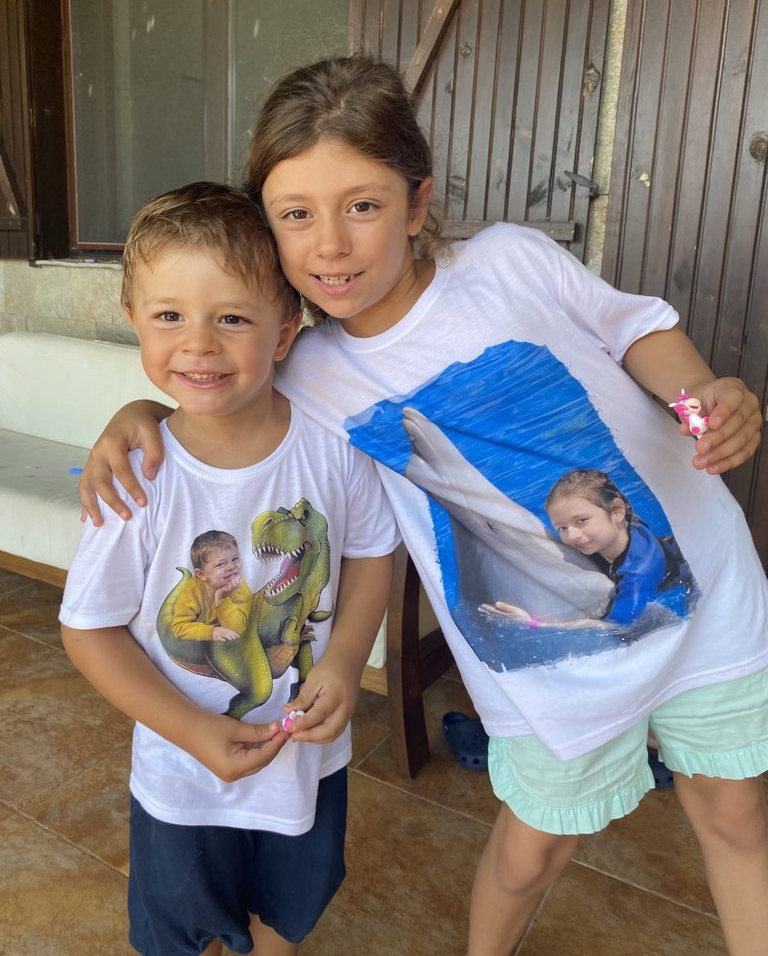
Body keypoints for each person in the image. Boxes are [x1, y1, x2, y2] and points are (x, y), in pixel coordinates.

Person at [79, 57, 768, 956]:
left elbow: (634, 326)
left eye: (362, 205)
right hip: (550, 668)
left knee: (736, 813)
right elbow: (214, 386)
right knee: (532, 854)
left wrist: (702, 396)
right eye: (296, 215)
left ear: (417, 203)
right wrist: (137, 414)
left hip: (701, 590)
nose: (331, 245)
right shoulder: (308, 366)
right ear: (269, 228)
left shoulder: (510, 261)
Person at [59, 181, 397, 956]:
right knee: (182, 929)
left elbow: (371, 552)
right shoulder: (137, 479)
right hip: (182, 775)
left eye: (233, 318)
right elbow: (89, 630)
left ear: (285, 332)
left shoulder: (334, 445)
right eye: (169, 316)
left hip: (307, 760)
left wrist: (345, 659)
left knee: (289, 908)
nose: (199, 345)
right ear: (134, 321)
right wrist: (193, 732)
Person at [483, 468, 696, 631]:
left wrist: (535, 625)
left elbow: (614, 626)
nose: (572, 536)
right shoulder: (610, 533)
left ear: (617, 511)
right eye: (562, 528)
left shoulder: (639, 572)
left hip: (683, 573)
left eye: (581, 520)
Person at [172, 529, 252, 641]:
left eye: (235, 559)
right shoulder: (191, 593)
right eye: (221, 564)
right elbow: (179, 628)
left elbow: (237, 629)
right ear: (202, 574)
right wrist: (211, 632)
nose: (231, 567)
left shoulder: (240, 588)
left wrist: (223, 600)